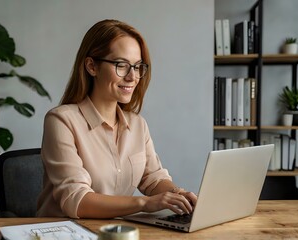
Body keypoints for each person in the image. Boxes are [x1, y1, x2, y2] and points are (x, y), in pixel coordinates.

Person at [37, 19, 197, 219]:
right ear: (91, 66)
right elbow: (76, 200)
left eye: (137, 67)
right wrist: (145, 203)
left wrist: (179, 194)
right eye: (121, 65)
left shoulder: (138, 125)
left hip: (114, 232)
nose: (132, 77)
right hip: (64, 233)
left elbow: (153, 179)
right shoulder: (61, 121)